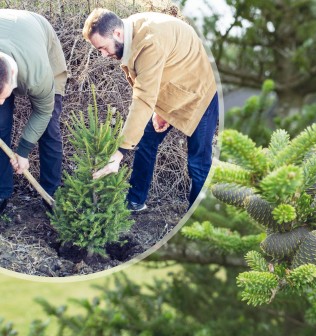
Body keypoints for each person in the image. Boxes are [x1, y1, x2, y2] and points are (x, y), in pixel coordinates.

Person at [82, 8, 219, 212]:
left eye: (102, 47)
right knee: (146, 141)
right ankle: (135, 200)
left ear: (117, 34)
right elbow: (154, 80)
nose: (103, 55)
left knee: (198, 163)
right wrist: (161, 109)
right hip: (175, 88)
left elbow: (143, 98)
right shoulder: (129, 32)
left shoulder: (148, 41)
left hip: (201, 92)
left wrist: (119, 153)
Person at [0, 9, 67, 214]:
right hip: (7, 30)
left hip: (39, 37)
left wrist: (23, 151)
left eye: (3, 96)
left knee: (48, 128)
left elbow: (42, 113)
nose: (2, 101)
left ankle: (51, 194)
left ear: (14, 76)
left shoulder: (37, 75)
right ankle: (2, 192)